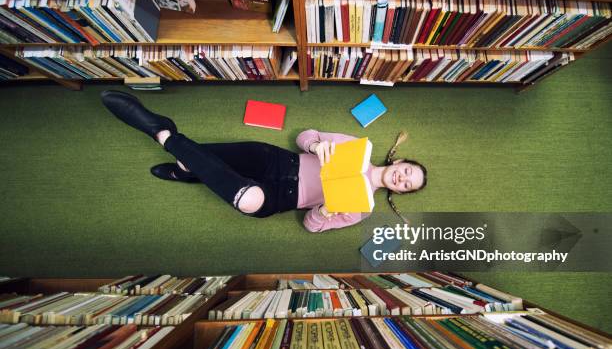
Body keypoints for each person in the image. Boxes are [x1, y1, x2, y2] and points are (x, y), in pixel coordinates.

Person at [101, 91, 428, 232]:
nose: (403, 178)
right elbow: (305, 134)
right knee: (207, 162)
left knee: (250, 201)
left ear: (400, 192)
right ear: (401, 161)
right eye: (408, 172)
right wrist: (315, 146)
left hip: (284, 197)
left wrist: (325, 212)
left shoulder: (362, 209)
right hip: (280, 162)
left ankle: (164, 135)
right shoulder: (359, 146)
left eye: (408, 185)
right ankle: (186, 168)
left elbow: (311, 227)